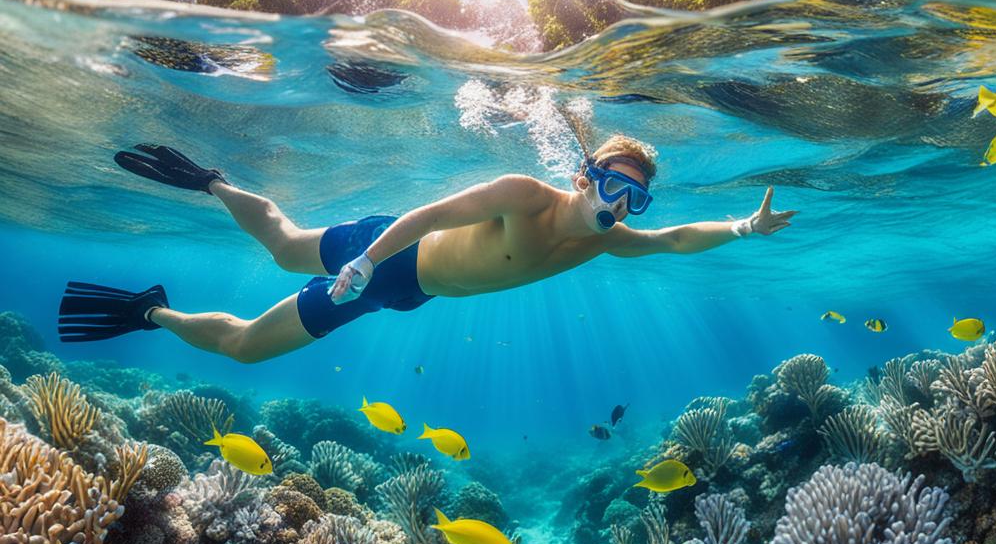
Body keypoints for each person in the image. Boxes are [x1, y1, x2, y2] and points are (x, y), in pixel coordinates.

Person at [59, 136, 795, 362]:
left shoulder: (604, 247)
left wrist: (739, 228)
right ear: (584, 176)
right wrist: (366, 259)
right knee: (285, 245)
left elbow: (673, 240)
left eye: (633, 196)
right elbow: (432, 210)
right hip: (390, 253)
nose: (618, 205)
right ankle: (212, 180)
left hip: (411, 291)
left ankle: (150, 312)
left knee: (249, 348)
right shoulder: (525, 194)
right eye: (610, 184)